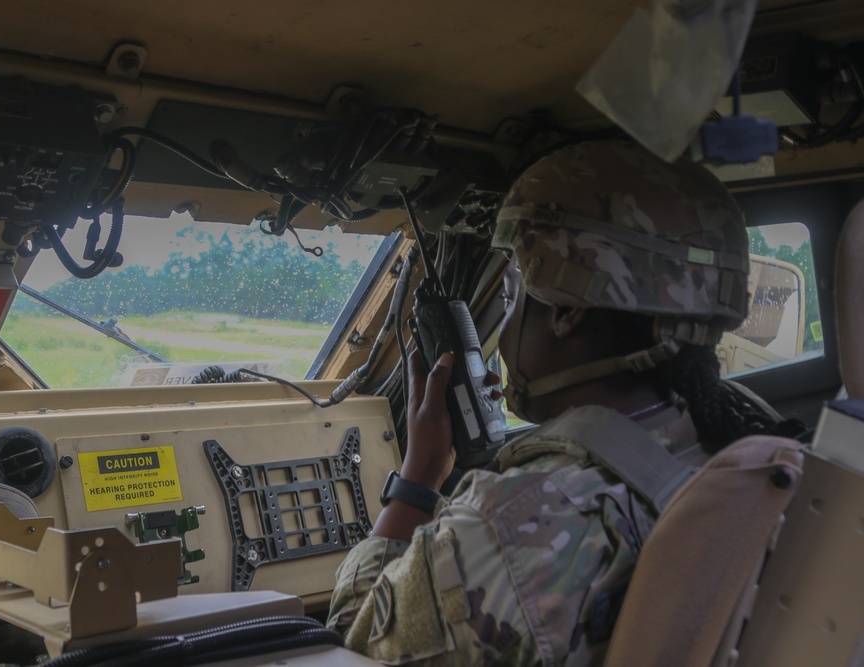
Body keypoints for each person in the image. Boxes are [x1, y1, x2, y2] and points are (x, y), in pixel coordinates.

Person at [327, 140, 795, 665]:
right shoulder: (755, 437)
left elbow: (353, 646)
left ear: (566, 310)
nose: (503, 328)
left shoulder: (512, 525)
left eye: (513, 292)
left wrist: (417, 482)